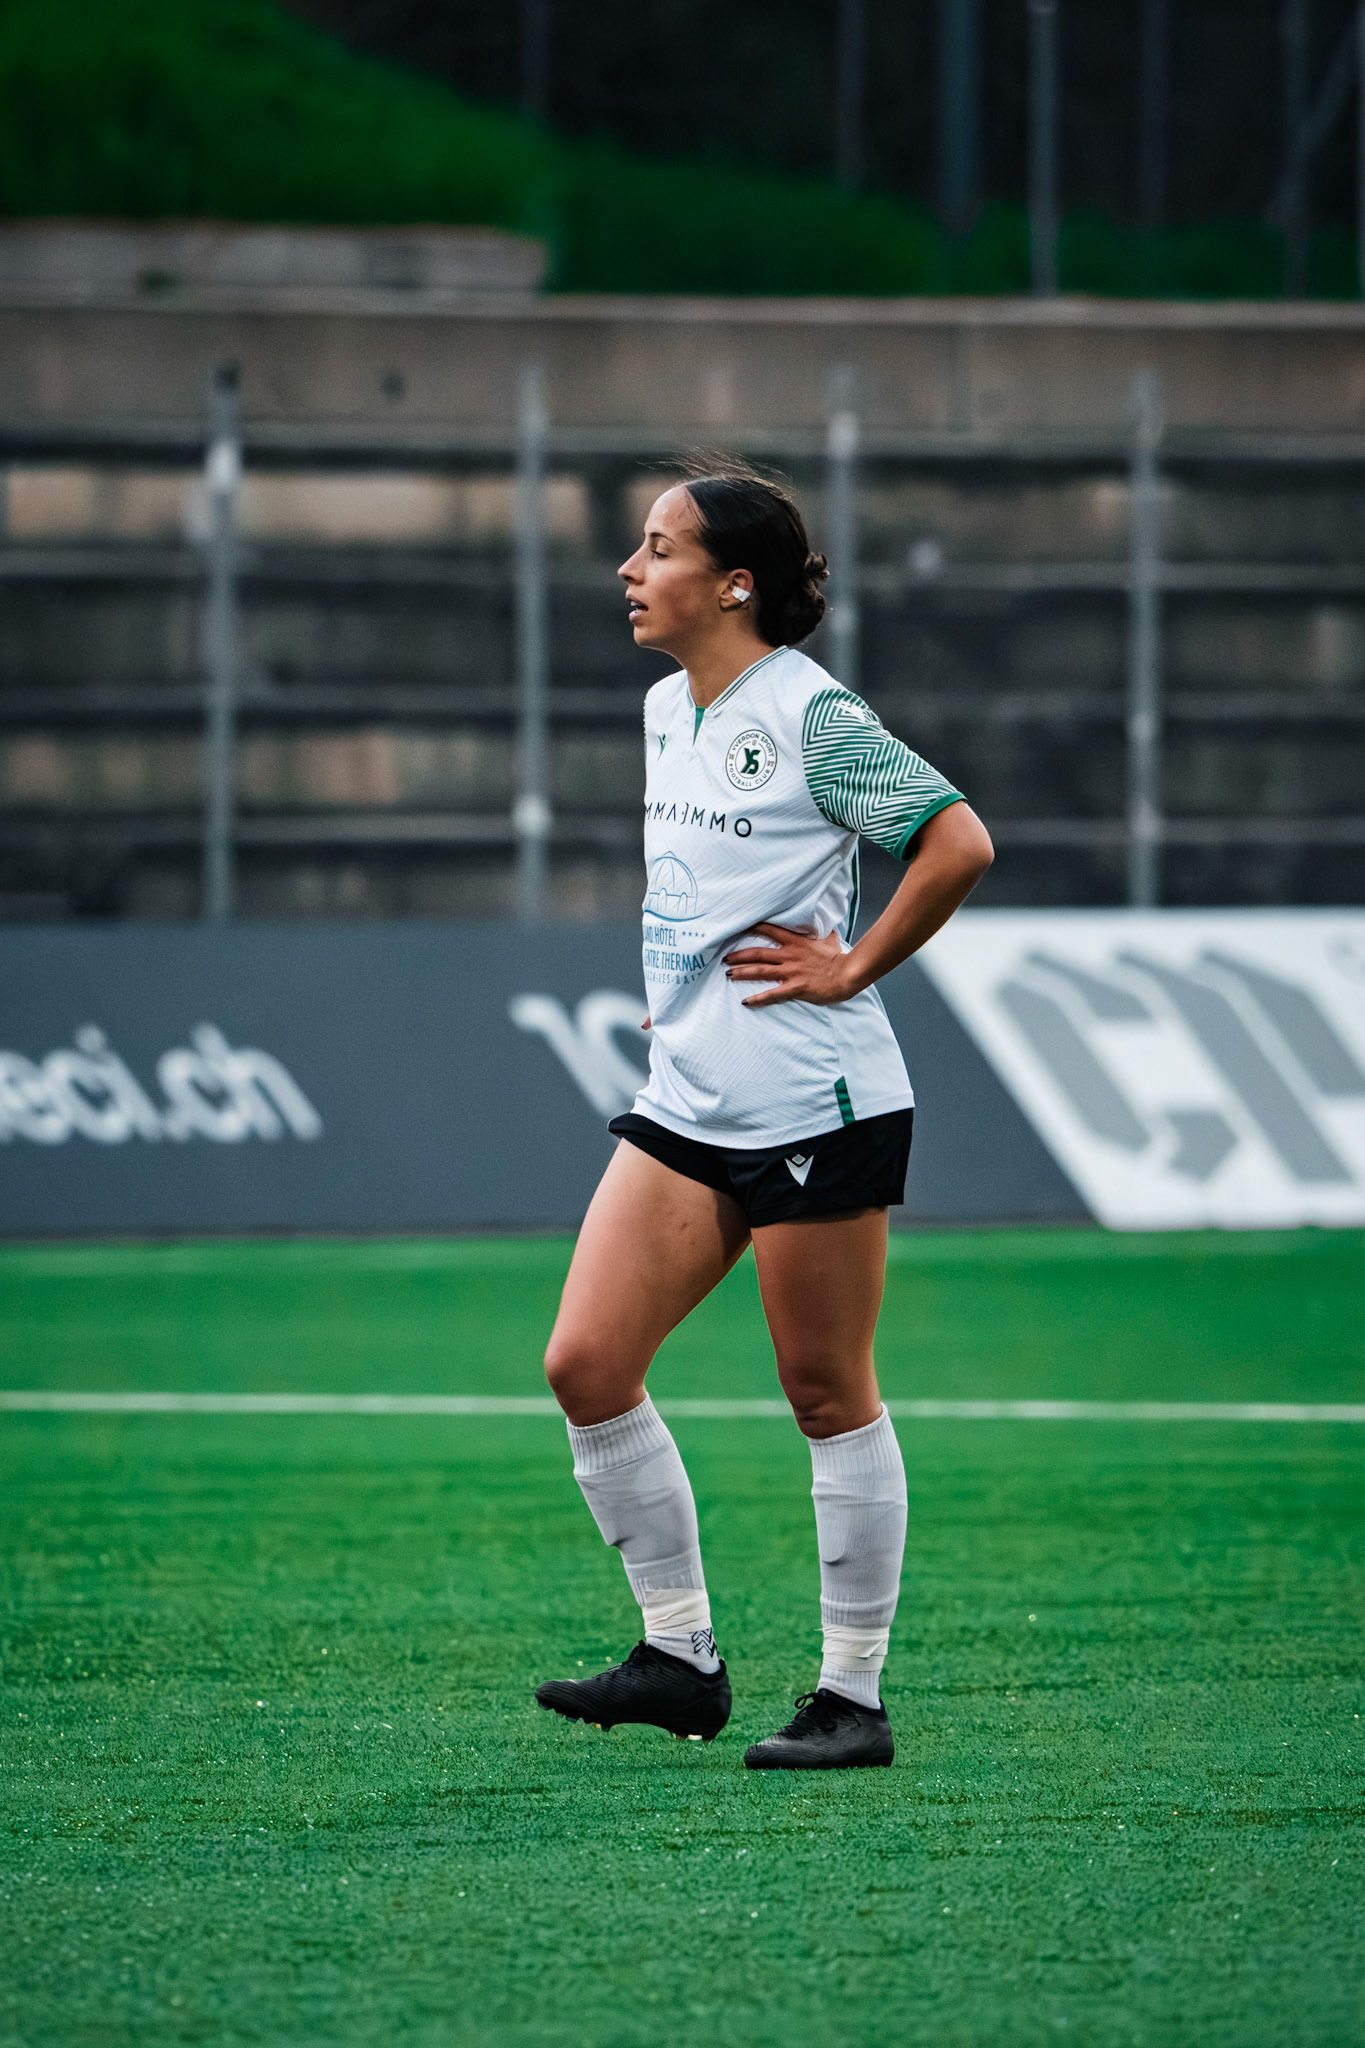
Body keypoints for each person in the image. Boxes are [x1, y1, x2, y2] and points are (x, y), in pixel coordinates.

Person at [535, 461, 993, 1769]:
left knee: (823, 1390)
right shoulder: (661, 709)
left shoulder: (809, 713)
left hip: (816, 1099)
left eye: (657, 547)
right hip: (689, 1099)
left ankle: (851, 1699)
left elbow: (955, 840)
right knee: (585, 1365)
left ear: (732, 584)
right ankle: (679, 1655)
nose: (630, 569)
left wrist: (849, 966)